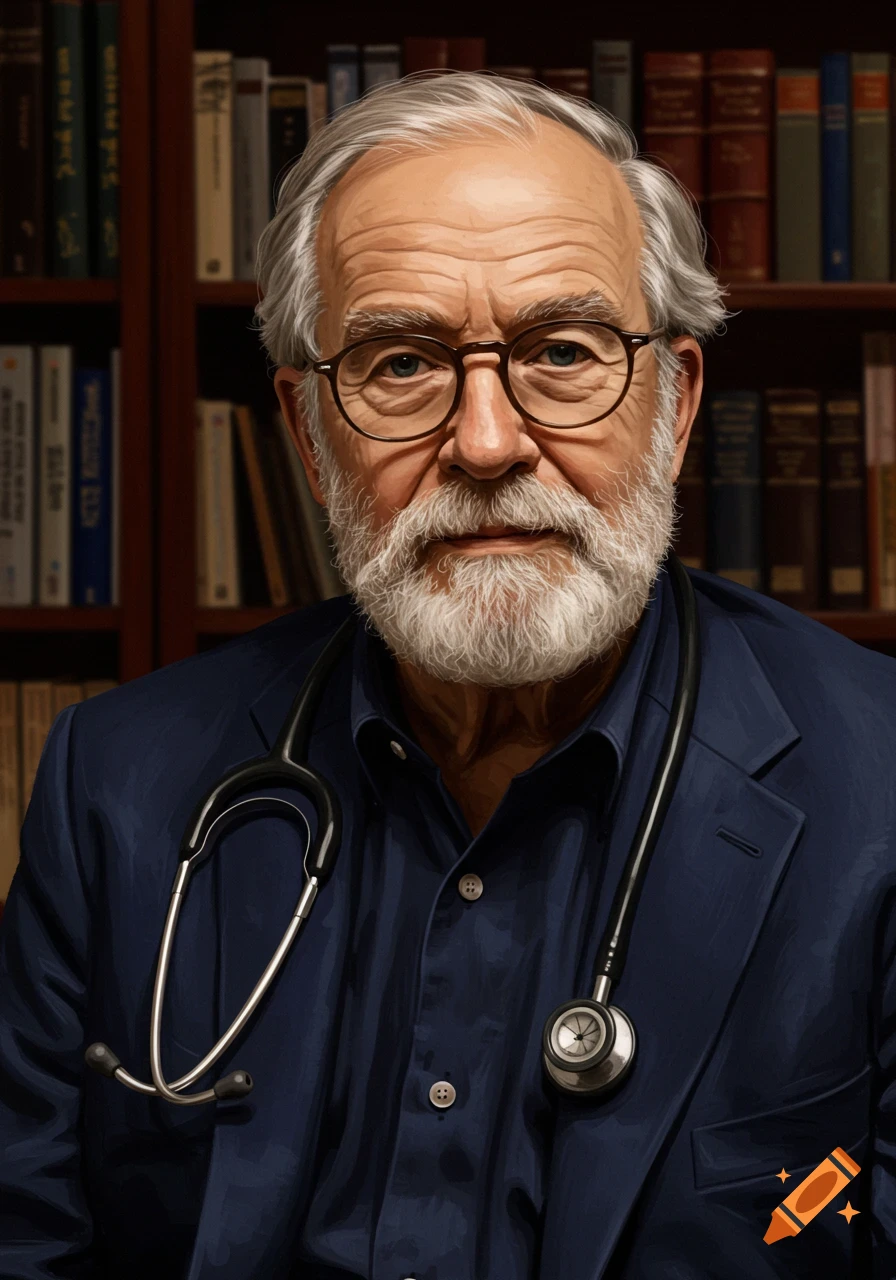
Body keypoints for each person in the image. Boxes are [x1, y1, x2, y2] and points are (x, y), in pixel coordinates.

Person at [0, 71, 893, 1280]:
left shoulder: (878, 786)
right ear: (310, 429)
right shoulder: (116, 783)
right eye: (402, 362)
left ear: (675, 404)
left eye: (562, 350)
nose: (484, 441)